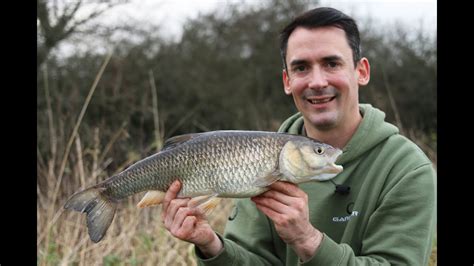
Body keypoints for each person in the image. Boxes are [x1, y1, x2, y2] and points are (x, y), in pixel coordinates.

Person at [160, 7, 437, 265]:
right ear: (287, 81)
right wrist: (212, 246)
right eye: (301, 67)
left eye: (331, 63)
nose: (317, 82)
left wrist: (308, 241)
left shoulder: (408, 170)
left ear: (361, 71)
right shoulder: (259, 157)